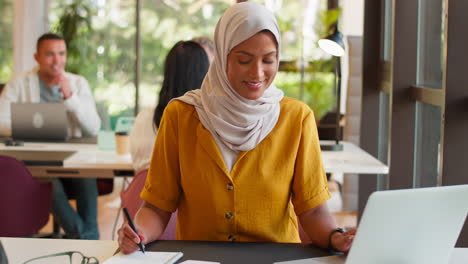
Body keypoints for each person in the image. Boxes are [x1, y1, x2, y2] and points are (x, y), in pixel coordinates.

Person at [118, 2, 355, 253]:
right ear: (222, 57)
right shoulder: (181, 116)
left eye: (269, 60)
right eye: (244, 60)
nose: (257, 73)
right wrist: (139, 233)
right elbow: (157, 207)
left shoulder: (296, 119)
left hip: (274, 258)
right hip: (201, 259)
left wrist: (335, 236)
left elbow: (314, 210)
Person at [0, 33, 101, 239]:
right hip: (36, 157)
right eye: (50, 54)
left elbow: (94, 128)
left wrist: (70, 97)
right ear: (37, 57)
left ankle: (84, 238)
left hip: (74, 155)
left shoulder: (78, 83)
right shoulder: (19, 83)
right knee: (48, 182)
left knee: (87, 178)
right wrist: (27, 126)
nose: (57, 61)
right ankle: (87, 240)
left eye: (61, 54)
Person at [124, 40, 210, 217]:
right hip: (187, 221)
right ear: (205, 72)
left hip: (140, 215)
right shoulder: (209, 123)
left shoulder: (144, 118)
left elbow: (138, 166)